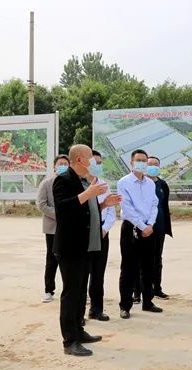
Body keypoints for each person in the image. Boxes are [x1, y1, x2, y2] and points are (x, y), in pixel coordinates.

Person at [53, 144, 121, 356]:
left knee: (81, 292)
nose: (93, 161)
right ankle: (69, 341)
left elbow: (85, 212)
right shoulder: (63, 180)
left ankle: (79, 331)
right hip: (70, 247)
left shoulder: (84, 181)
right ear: (80, 159)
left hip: (86, 246)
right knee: (71, 294)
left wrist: (103, 204)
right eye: (90, 157)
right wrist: (88, 193)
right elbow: (64, 209)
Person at [117, 149, 163, 319]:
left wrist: (150, 224)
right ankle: (125, 305)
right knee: (128, 268)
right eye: (139, 160)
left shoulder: (150, 183)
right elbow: (127, 208)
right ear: (131, 163)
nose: (142, 163)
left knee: (148, 267)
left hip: (149, 229)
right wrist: (142, 226)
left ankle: (148, 302)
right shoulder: (124, 182)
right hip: (131, 228)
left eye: (144, 160)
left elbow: (154, 204)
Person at [85, 150, 116, 322]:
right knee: (83, 274)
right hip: (85, 233)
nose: (97, 166)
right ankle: (79, 312)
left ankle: (96, 309)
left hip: (102, 233)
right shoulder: (81, 184)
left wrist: (104, 229)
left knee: (98, 273)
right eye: (94, 162)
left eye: (100, 162)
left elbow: (111, 210)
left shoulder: (104, 184)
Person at [36, 155, 70, 303]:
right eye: (60, 164)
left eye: (65, 164)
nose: (63, 166)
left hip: (69, 227)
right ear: (54, 166)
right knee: (52, 259)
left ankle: (71, 289)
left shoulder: (71, 183)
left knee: (69, 260)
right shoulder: (46, 184)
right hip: (52, 228)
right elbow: (41, 204)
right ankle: (48, 290)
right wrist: (60, 215)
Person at [146, 156, 173, 299]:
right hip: (144, 226)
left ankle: (157, 287)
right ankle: (139, 290)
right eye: (150, 164)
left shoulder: (162, 184)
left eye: (156, 164)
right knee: (143, 259)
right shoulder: (141, 183)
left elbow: (164, 204)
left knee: (157, 258)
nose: (153, 167)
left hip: (160, 226)